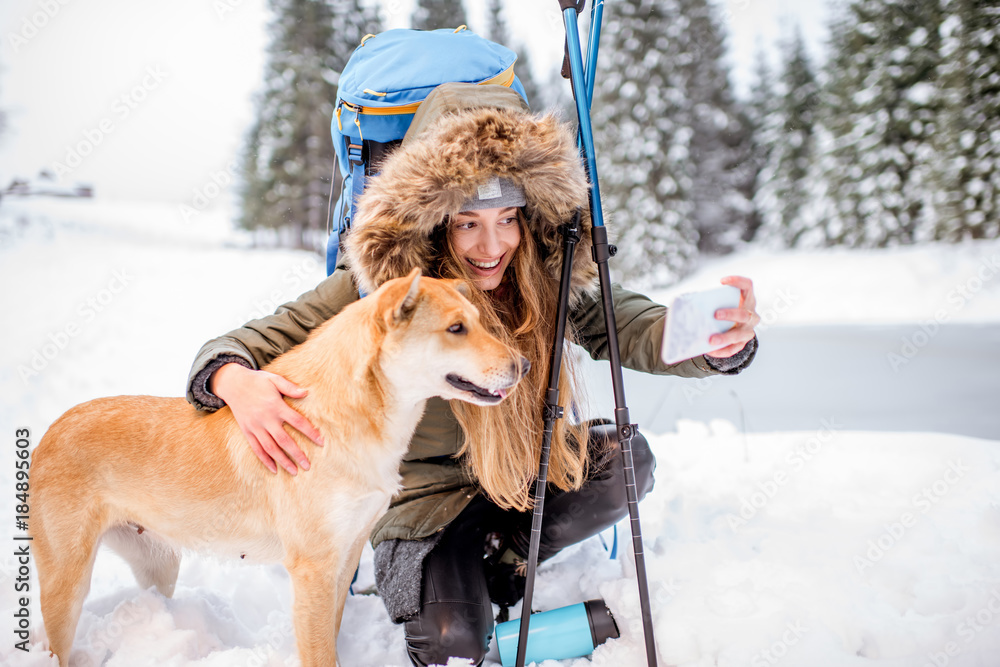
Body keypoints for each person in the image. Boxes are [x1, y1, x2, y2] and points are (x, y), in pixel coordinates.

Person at [186, 83, 759, 666]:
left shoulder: (542, 276)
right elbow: (247, 342)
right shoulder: (387, 296)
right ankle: (453, 574)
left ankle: (505, 560)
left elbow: (632, 327)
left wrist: (712, 340)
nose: (492, 246)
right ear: (436, 223)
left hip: (521, 476)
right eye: (468, 224)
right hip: (425, 507)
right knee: (449, 643)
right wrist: (234, 382)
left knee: (625, 462)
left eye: (508, 218)